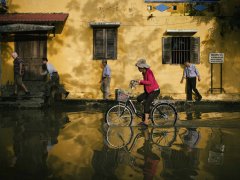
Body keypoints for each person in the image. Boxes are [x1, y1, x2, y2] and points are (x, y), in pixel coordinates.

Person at [135, 58, 160, 127]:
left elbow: (150, 82)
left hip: (154, 91)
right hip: (148, 91)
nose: (138, 69)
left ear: (143, 67)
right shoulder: (144, 72)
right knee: (139, 98)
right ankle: (147, 112)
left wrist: (141, 81)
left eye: (139, 67)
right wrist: (137, 82)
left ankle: (146, 121)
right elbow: (145, 82)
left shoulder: (149, 72)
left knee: (146, 104)